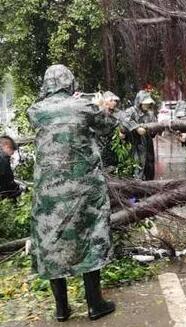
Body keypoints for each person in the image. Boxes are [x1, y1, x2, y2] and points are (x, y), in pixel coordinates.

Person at [27, 65, 118, 322]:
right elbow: (108, 126)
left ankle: (61, 309)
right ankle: (95, 305)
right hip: (84, 191)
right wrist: (98, 104)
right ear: (70, 82)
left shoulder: (36, 111)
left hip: (48, 194)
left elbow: (43, 113)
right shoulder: (83, 106)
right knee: (90, 236)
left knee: (50, 241)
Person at [121, 90, 158, 180]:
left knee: (149, 167)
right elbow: (124, 121)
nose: (147, 105)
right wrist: (136, 128)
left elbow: (155, 128)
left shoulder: (150, 114)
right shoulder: (131, 111)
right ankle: (135, 189)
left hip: (147, 144)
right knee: (136, 166)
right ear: (139, 102)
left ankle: (148, 188)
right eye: (145, 103)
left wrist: (153, 130)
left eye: (148, 103)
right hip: (134, 143)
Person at [0, 135, 23, 200]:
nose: (12, 153)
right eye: (12, 149)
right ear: (7, 146)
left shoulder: (4, 158)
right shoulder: (2, 158)